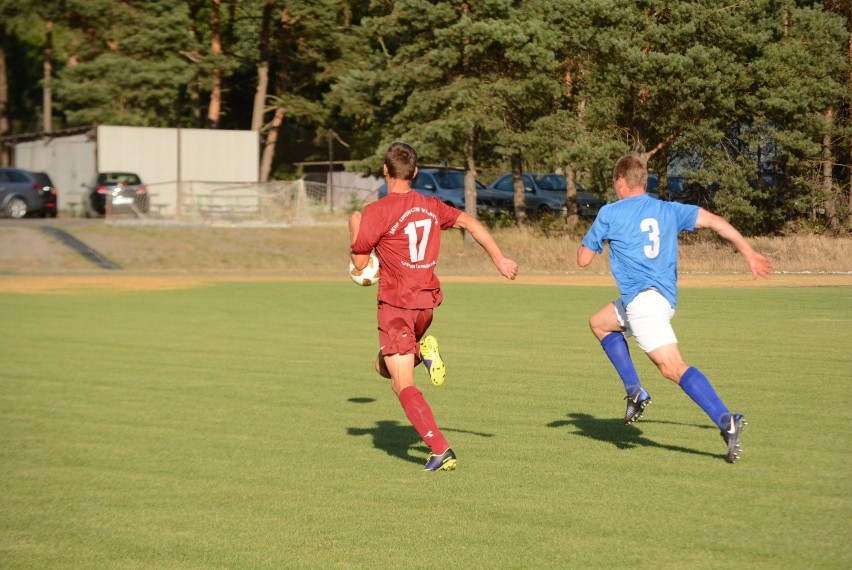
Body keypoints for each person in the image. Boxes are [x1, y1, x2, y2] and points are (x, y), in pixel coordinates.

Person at [577, 154, 773, 463]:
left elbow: (583, 259)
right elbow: (716, 223)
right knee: (600, 323)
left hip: (643, 304)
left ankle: (726, 420)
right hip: (663, 300)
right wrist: (749, 253)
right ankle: (635, 391)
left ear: (620, 182)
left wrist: (598, 242)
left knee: (672, 367)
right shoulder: (668, 209)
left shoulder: (609, 213)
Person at [349, 142, 519, 472]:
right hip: (425, 307)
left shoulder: (376, 212)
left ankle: (441, 449)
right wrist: (500, 259)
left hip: (397, 306)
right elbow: (470, 222)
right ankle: (424, 350)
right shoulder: (430, 205)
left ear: (385, 170)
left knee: (403, 384)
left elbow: (359, 267)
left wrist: (354, 229)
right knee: (382, 367)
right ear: (414, 172)